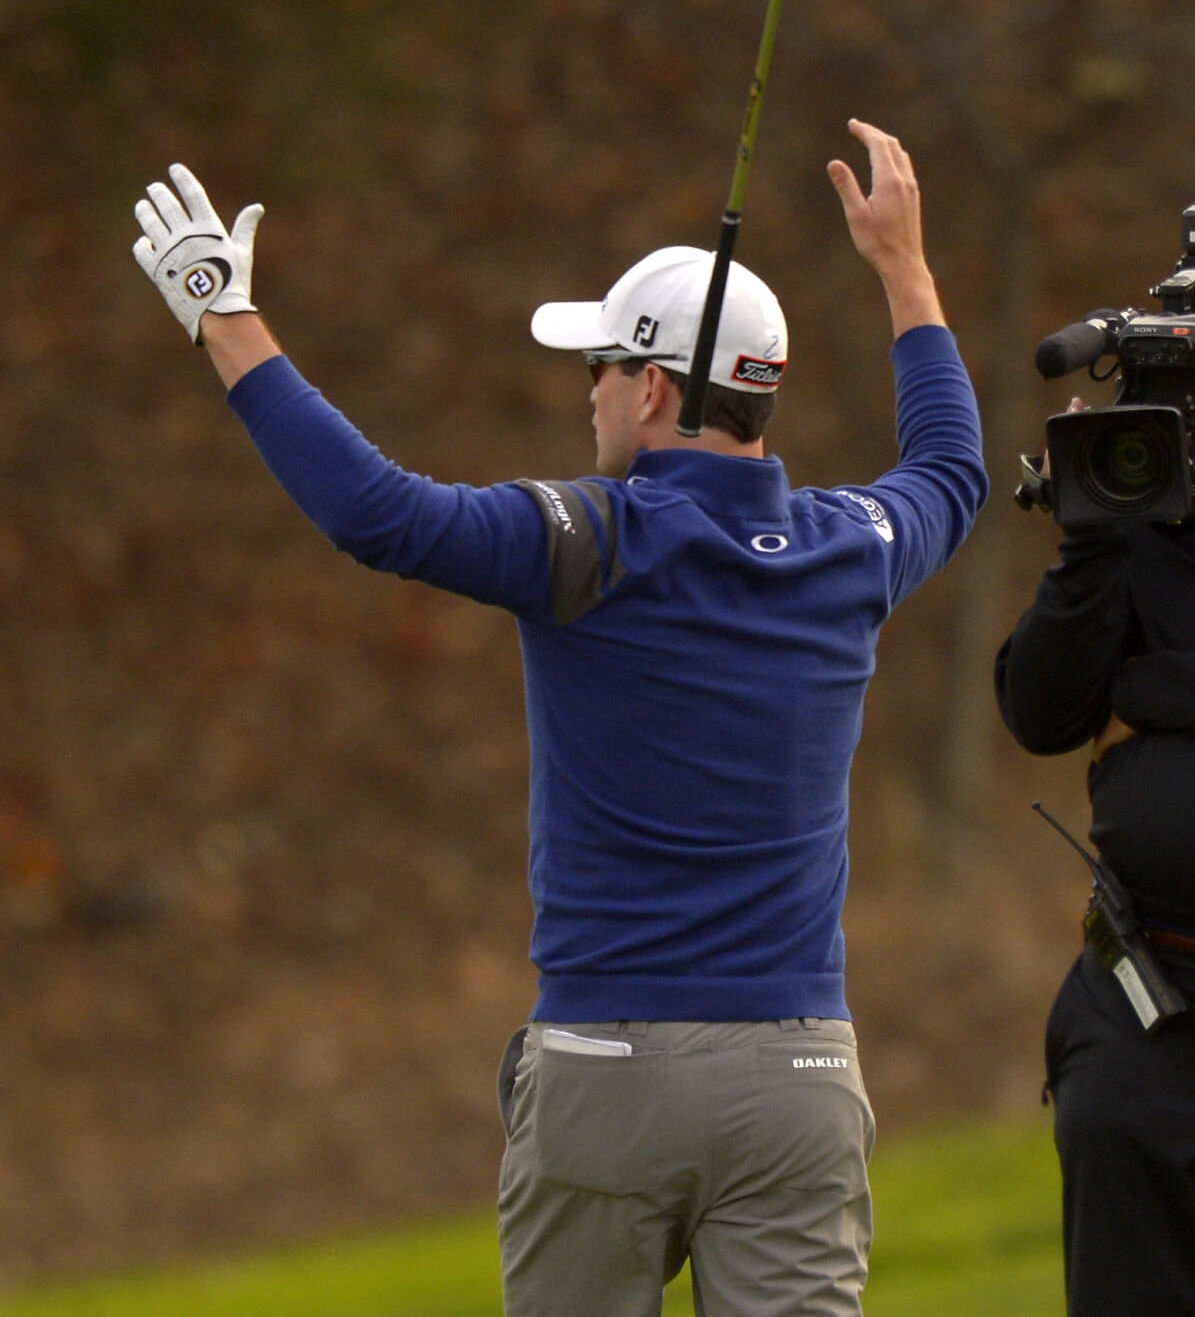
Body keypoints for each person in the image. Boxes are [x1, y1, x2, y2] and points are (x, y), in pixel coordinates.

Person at [133, 119, 986, 1317]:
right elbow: (951, 467)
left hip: (607, 1069)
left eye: (594, 367)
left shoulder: (588, 540)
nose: (585, 394)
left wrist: (224, 320)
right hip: (801, 1070)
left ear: (649, 386)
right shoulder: (851, 547)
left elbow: (376, 513)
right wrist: (902, 263)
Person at [995, 413, 1195, 1317]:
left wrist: (1150, 694)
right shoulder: (1134, 516)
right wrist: (1093, 537)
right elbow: (1038, 711)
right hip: (1145, 1000)